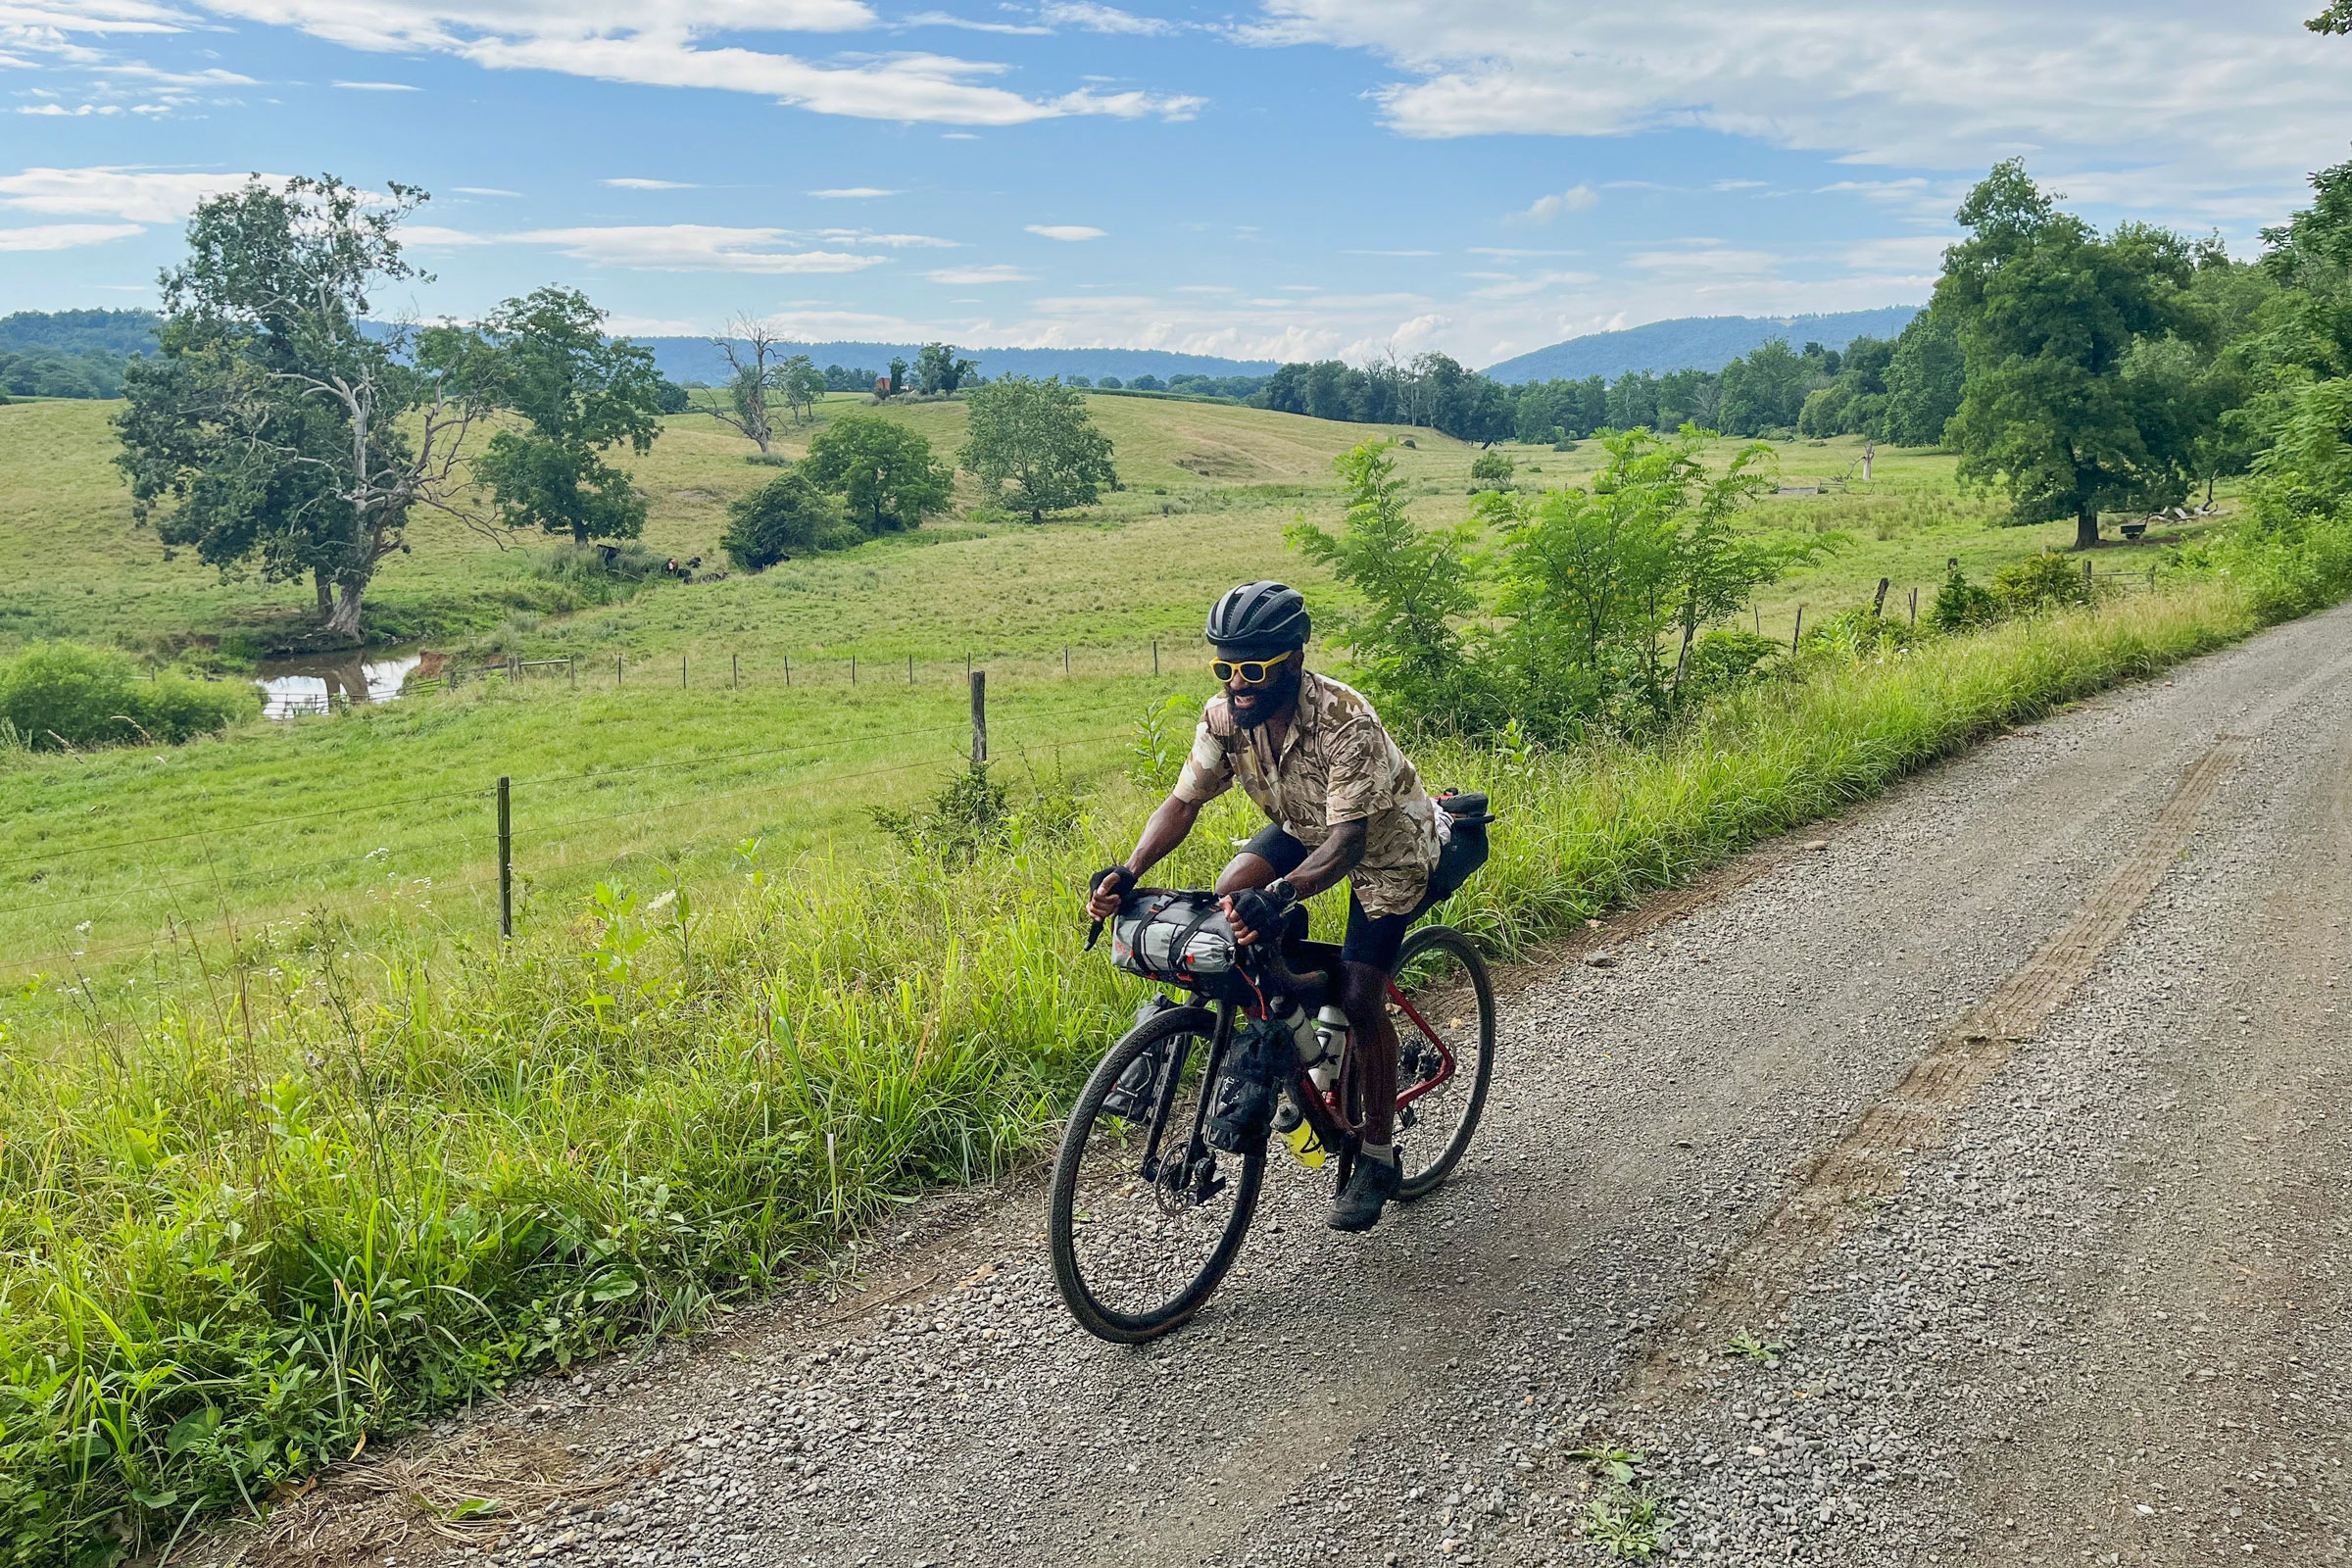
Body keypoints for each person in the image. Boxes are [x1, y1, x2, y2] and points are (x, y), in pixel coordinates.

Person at [1086, 581, 1446, 1232]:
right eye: (1226, 668)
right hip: (1304, 826)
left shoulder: (1345, 720)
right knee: (1232, 899)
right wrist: (1129, 870)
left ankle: (1377, 1154)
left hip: (1383, 845)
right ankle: (1298, 1006)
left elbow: (1346, 844)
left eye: (1253, 669)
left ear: (1293, 661)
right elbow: (1183, 803)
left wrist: (1280, 896)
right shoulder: (1224, 718)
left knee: (1363, 997)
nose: (1238, 684)